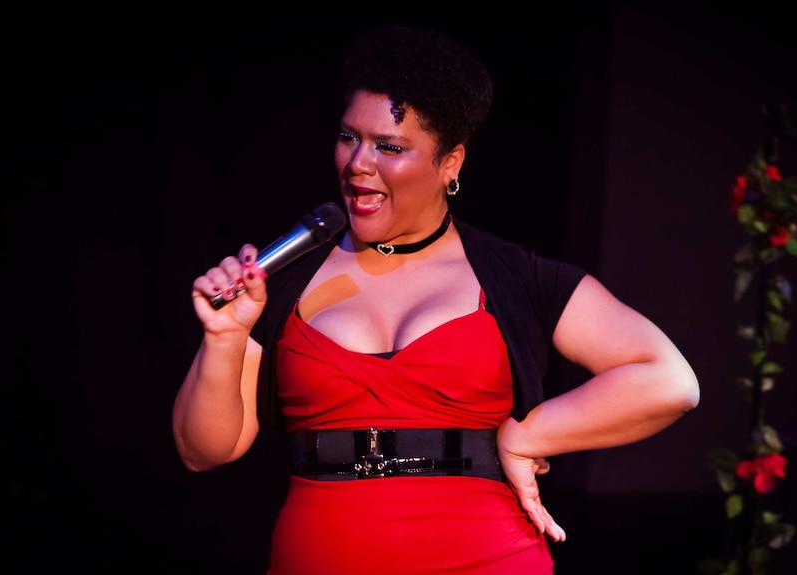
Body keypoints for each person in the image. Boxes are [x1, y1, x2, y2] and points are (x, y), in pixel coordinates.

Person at [172, 23, 700, 575]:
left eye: (390, 147)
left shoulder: (513, 276)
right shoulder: (284, 279)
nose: (358, 164)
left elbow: (670, 381)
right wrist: (225, 338)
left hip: (489, 556)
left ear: (450, 164)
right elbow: (202, 450)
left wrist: (529, 436)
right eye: (350, 136)